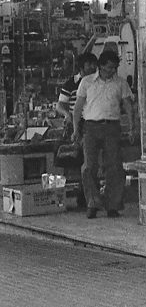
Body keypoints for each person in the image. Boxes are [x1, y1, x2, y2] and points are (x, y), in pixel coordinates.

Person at [72, 48, 134, 220]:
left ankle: (113, 204)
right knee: (89, 166)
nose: (110, 72)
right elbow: (78, 108)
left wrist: (131, 127)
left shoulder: (120, 83)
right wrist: (75, 128)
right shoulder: (87, 82)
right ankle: (92, 202)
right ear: (100, 66)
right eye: (107, 68)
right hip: (90, 127)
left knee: (114, 166)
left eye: (113, 69)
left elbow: (128, 105)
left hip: (112, 126)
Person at [56, 52, 97, 210]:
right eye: (89, 64)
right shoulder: (71, 83)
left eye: (94, 64)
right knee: (76, 162)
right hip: (77, 125)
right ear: (82, 67)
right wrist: (67, 115)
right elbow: (60, 104)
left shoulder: (97, 82)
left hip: (92, 123)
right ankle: (78, 196)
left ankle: (85, 195)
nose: (93, 67)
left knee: (87, 162)